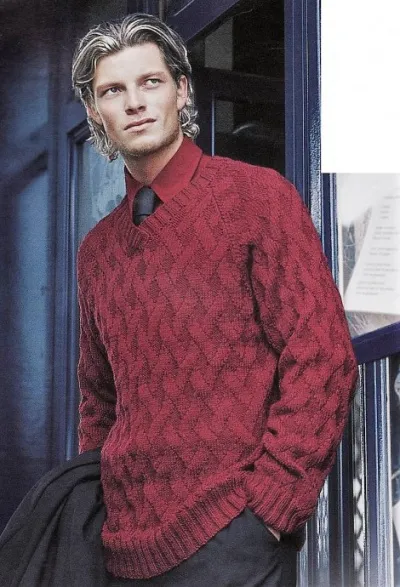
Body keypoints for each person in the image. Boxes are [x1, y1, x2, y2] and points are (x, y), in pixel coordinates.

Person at [70, 12, 358, 587]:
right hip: (122, 550)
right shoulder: (96, 252)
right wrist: (101, 512)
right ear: (96, 113)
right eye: (113, 91)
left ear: (181, 90)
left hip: (233, 537)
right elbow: (99, 402)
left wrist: (270, 508)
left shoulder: (258, 200)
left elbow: (323, 355)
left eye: (150, 82)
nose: (135, 102)